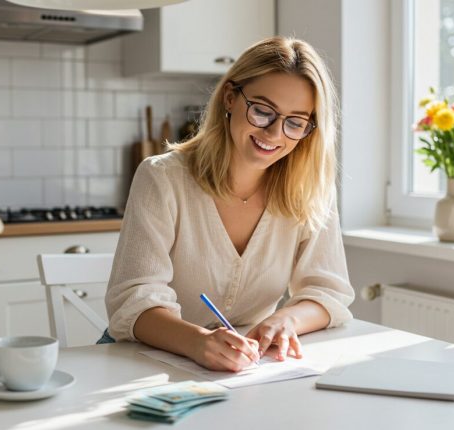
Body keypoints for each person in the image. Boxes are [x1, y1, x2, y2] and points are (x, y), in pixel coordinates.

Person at [102, 36, 355, 372]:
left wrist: (287, 320)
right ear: (231, 97)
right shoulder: (162, 178)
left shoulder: (310, 189)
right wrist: (197, 342)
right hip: (141, 363)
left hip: (241, 366)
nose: (275, 134)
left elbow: (328, 292)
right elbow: (132, 302)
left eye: (295, 122)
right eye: (263, 111)